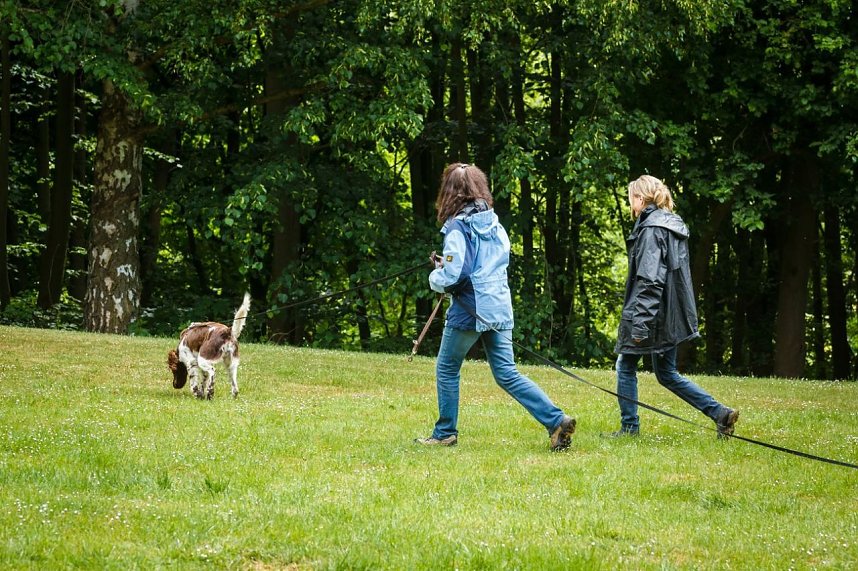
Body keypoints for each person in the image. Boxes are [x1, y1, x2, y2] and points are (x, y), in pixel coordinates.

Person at [414, 163, 576, 451]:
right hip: (499, 306)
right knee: (507, 373)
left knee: (447, 368)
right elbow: (484, 265)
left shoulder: (457, 228)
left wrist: (434, 276)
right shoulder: (495, 224)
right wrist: (450, 265)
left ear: (450, 192)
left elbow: (456, 276)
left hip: (471, 310)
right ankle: (555, 420)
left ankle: (444, 433)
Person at [608, 174, 739, 438]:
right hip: (670, 315)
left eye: (631, 198)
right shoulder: (671, 224)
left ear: (640, 198)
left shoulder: (651, 230)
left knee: (625, 366)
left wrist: (640, 325)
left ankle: (629, 428)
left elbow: (650, 280)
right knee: (666, 373)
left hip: (653, 315)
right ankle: (720, 413)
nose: (630, 204)